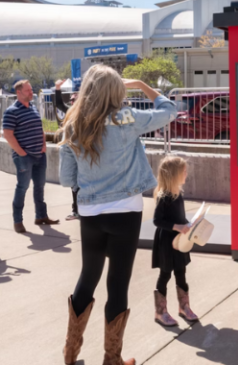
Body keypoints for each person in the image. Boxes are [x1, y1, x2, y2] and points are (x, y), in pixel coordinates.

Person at [59, 65, 176, 365]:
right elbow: (169, 110)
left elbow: (66, 178)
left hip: (90, 210)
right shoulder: (125, 117)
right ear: (117, 91)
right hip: (125, 210)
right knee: (118, 283)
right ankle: (112, 359)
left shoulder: (74, 123)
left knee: (88, 276)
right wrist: (143, 85)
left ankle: (70, 354)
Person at [2, 80, 58, 233]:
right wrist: (21, 153)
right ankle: (17, 221)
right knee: (22, 187)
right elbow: (7, 134)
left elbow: (39, 127)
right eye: (27, 90)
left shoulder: (33, 108)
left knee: (40, 187)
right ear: (19, 93)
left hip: (39, 155)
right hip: (24, 157)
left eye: (31, 89)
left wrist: (44, 144)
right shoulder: (11, 111)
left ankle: (41, 216)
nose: (31, 92)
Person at [151, 156, 198, 327]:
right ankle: (160, 312)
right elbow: (157, 220)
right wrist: (177, 226)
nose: (186, 174)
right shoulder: (164, 196)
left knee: (181, 273)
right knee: (165, 274)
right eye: (183, 171)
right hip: (167, 242)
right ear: (173, 174)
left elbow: (179, 216)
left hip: (180, 242)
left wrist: (187, 224)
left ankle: (184, 307)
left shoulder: (178, 194)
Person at [54, 79, 80, 221]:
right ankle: (76, 210)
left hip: (82, 152)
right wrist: (58, 88)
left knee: (81, 183)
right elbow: (59, 104)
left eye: (75, 99)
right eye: (71, 99)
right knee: (73, 182)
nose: (72, 101)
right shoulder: (70, 111)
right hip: (70, 152)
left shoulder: (87, 112)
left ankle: (81, 210)